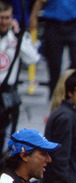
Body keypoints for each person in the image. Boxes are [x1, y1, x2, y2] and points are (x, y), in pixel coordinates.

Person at [29, 0, 76, 97]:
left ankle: (70, 88)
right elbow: (40, 2)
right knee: (54, 63)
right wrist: (32, 18)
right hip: (54, 24)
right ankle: (54, 93)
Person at [0, 1, 39, 150]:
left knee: (7, 139)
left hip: (8, 95)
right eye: (1, 18)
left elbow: (33, 58)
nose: (3, 22)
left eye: (7, 18)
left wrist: (20, 36)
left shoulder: (15, 38)